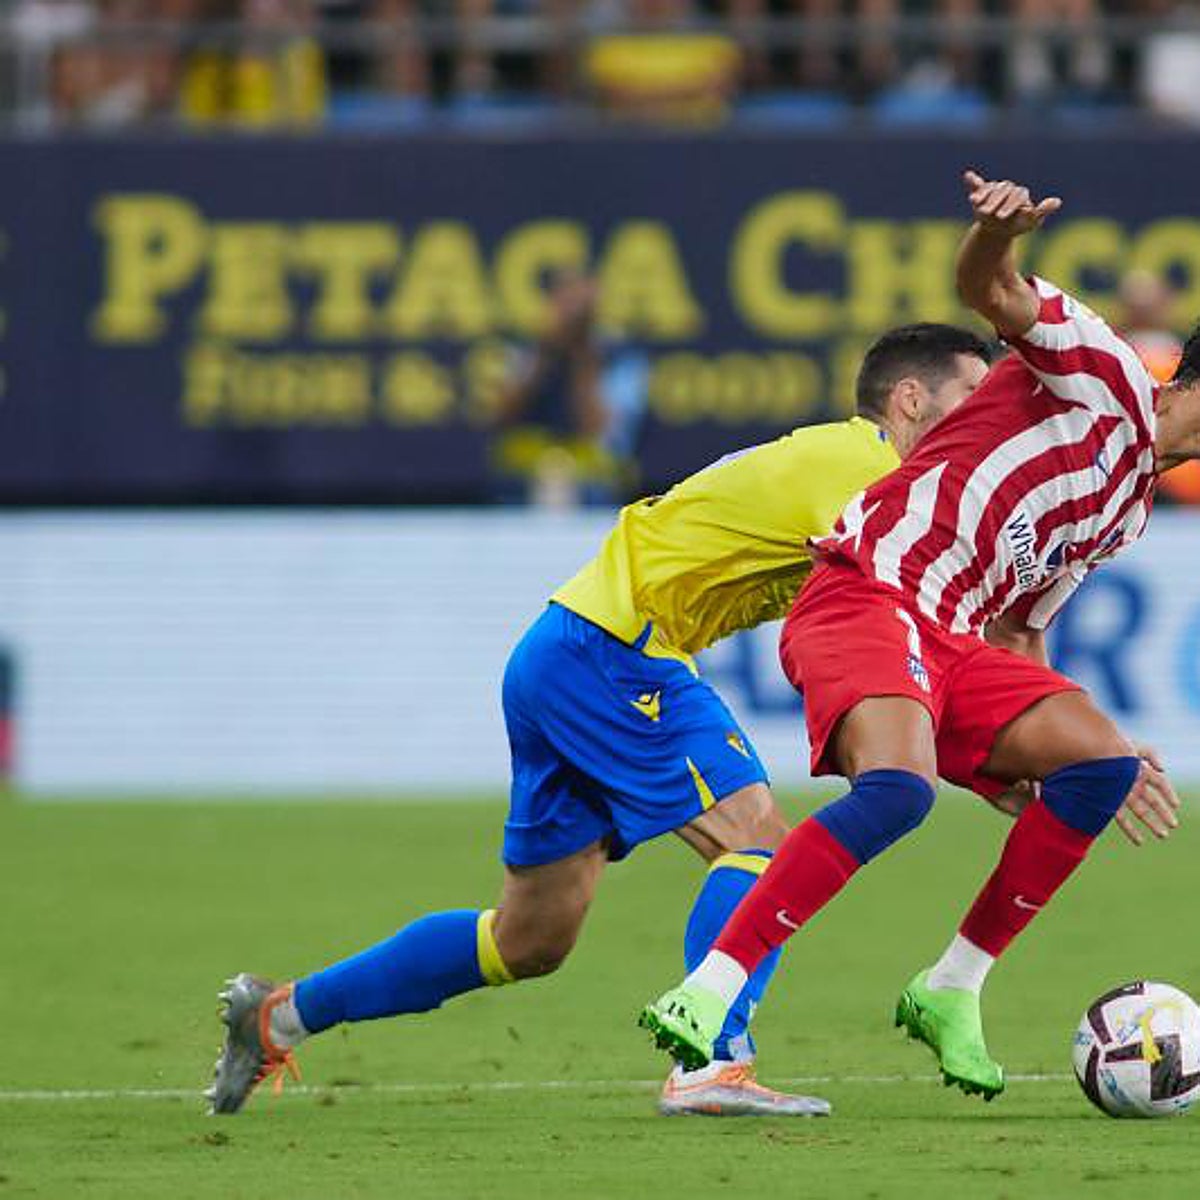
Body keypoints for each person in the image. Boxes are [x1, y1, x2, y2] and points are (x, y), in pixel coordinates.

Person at [207, 321, 995, 1118]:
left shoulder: (851, 469)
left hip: (563, 647)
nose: (987, 411)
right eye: (972, 392)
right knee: (755, 836)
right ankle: (712, 1064)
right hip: (617, 647)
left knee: (528, 939)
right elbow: (925, 616)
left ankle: (280, 1014)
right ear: (909, 398)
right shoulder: (866, 466)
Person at [641, 169, 1195, 1102]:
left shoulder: (1128, 510)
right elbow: (991, 292)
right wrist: (996, 235)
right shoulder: (1102, 371)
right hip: (867, 591)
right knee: (896, 793)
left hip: (950, 640)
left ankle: (951, 988)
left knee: (1099, 764)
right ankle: (711, 987)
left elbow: (1020, 634)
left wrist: (1050, 733)